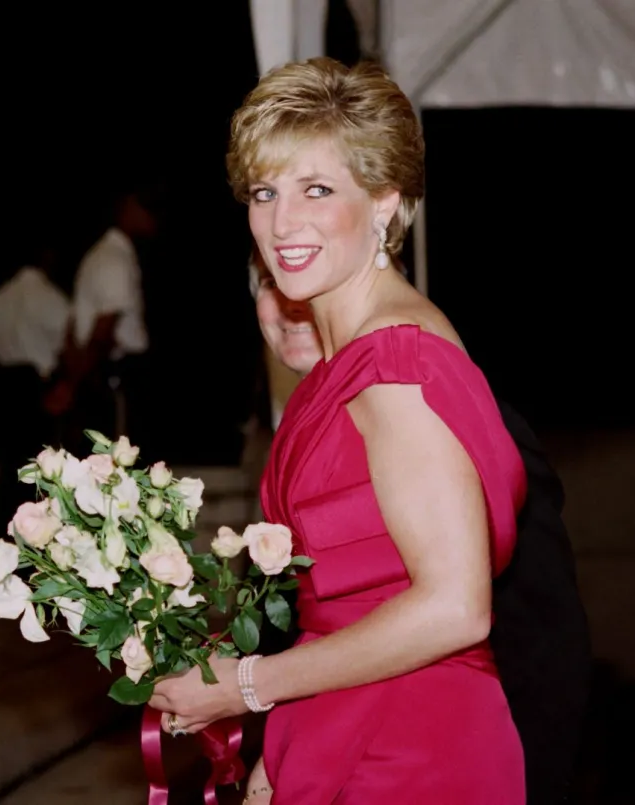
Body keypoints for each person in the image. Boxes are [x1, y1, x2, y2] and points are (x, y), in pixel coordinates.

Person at [150, 57, 526, 803]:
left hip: (412, 742)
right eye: (265, 192)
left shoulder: (396, 362)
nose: (282, 222)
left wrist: (246, 685)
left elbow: (456, 607)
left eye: (317, 189)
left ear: (385, 202)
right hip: (344, 713)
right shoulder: (344, 361)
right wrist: (284, 745)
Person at [246, 250, 592, 803]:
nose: (291, 302)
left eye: (314, 279)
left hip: (434, 748)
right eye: (270, 281)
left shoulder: (437, 405)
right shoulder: (297, 436)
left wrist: (536, 776)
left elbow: (542, 621)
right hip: (324, 733)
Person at [59, 186, 158, 443]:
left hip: (98, 369)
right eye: (147, 207)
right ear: (127, 208)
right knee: (120, 453)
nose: (154, 216)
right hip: (114, 372)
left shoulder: (101, 254)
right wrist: (73, 383)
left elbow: (72, 325)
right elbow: (104, 328)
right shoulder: (114, 258)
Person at [0, 242, 71, 522]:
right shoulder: (48, 296)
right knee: (40, 464)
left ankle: (8, 525)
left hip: (5, 385)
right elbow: (69, 339)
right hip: (36, 385)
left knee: (11, 463)